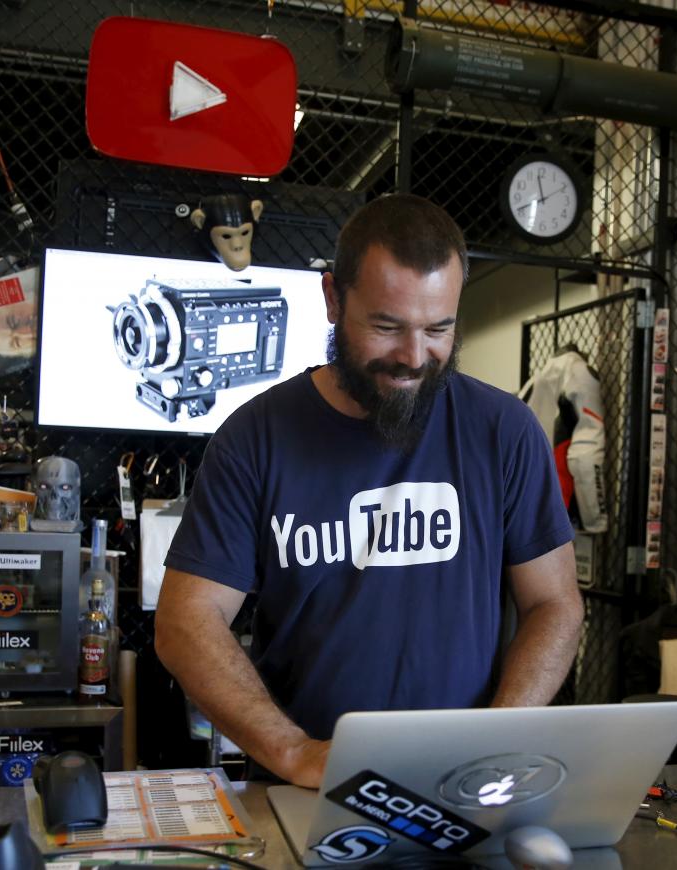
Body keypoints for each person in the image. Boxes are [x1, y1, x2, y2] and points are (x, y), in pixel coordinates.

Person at [154, 193, 583, 789]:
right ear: (333, 298)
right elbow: (186, 620)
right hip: (307, 786)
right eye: (387, 327)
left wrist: (497, 738)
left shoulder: (503, 431)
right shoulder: (255, 439)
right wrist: (294, 752)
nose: (414, 357)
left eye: (438, 329)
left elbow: (555, 605)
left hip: (462, 783)